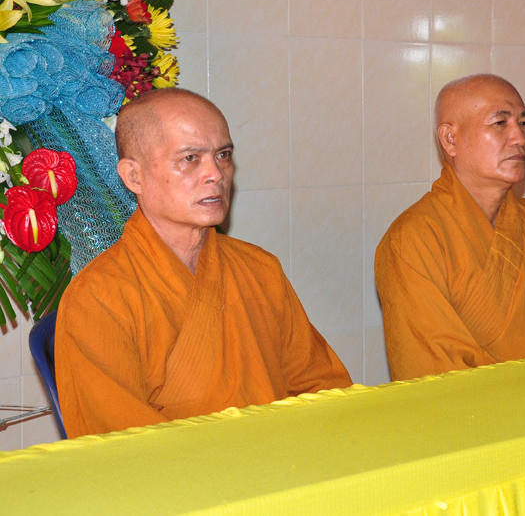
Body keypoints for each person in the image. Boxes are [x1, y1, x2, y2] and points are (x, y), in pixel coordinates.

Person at [56, 88, 352, 438]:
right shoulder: (98, 297)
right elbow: (122, 444)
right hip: (185, 472)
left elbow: (323, 388)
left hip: (284, 459)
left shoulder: (260, 269)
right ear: (134, 176)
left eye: (223, 155)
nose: (216, 174)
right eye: (190, 158)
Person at [375, 74, 525, 381]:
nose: (520, 137)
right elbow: (435, 377)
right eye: (500, 123)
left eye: (524, 123)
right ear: (450, 139)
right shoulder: (412, 239)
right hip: (479, 409)